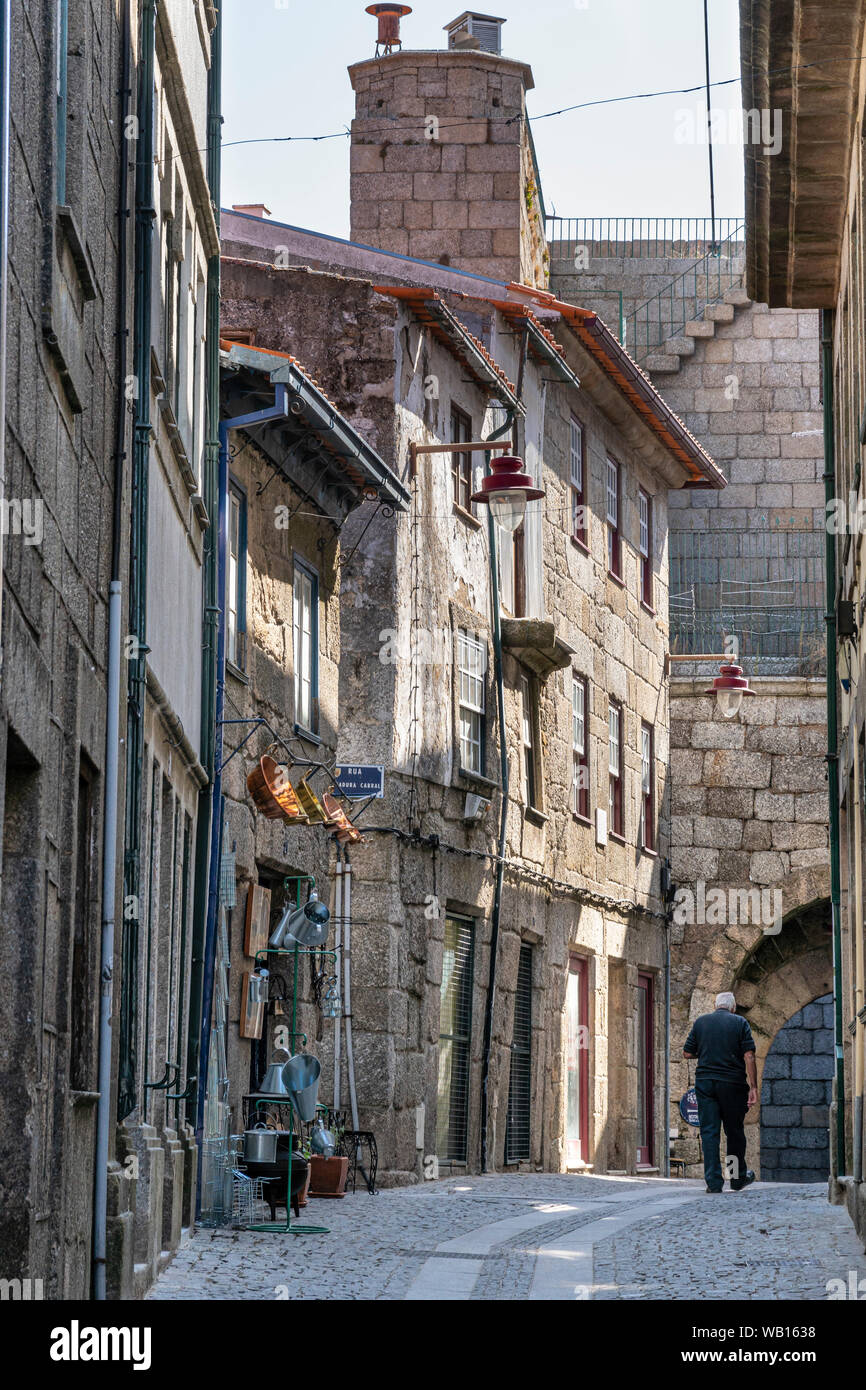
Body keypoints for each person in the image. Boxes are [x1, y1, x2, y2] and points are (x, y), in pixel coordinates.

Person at [683, 991, 758, 1193]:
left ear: (716, 1006)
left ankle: (714, 1182)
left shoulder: (701, 1022)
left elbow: (687, 1052)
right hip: (733, 1085)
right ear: (732, 1008)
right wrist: (753, 1086)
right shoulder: (740, 1022)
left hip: (706, 1084)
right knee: (733, 1132)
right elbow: (749, 1056)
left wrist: (707, 1052)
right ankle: (735, 1178)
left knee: (709, 1132)